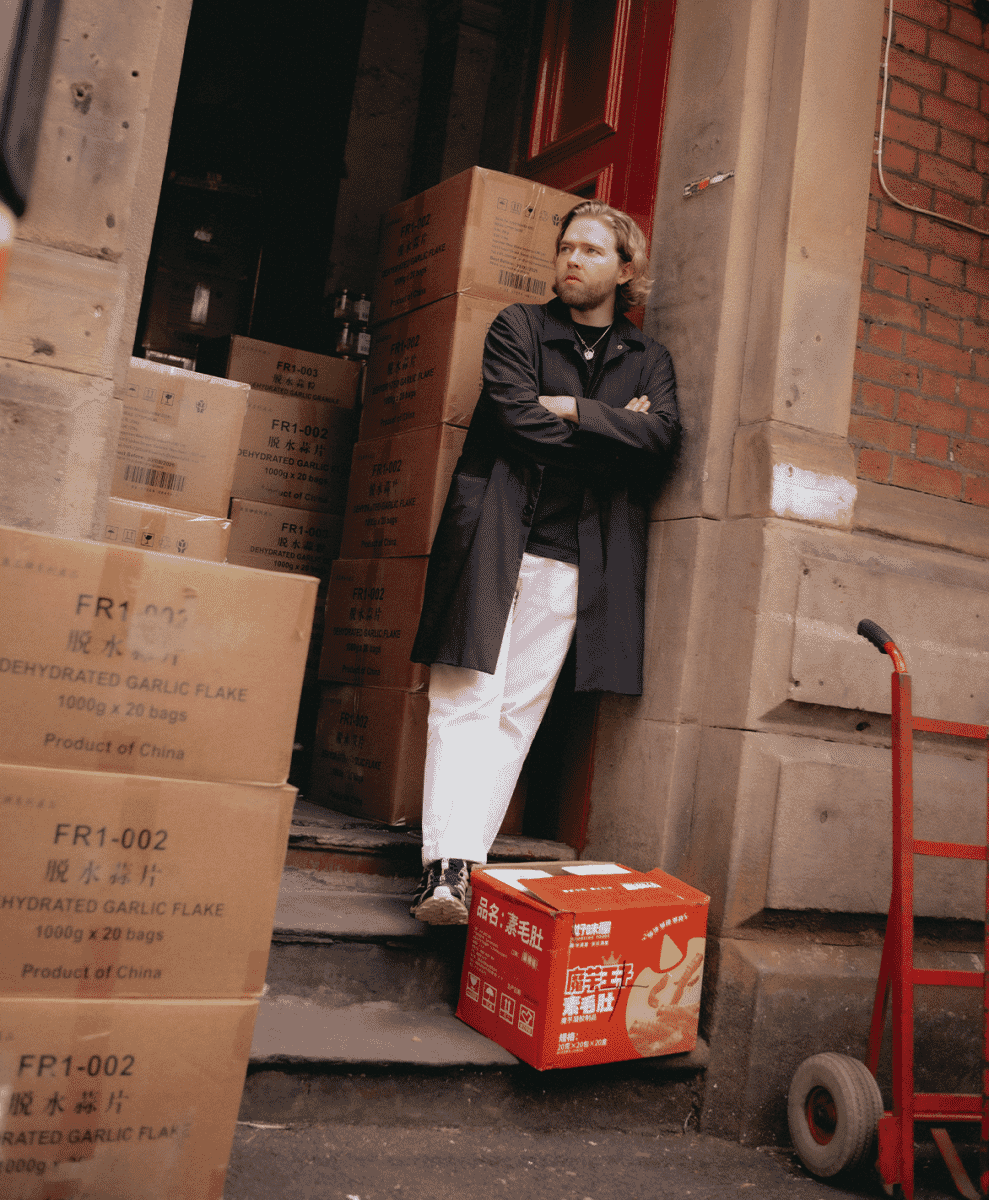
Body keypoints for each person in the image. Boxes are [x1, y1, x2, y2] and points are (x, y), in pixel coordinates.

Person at [408, 198, 680, 923]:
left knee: (515, 714)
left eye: (591, 251)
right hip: (494, 537)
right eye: (565, 247)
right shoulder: (517, 328)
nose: (571, 260)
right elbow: (512, 416)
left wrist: (572, 409)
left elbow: (661, 445)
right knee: (463, 696)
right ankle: (443, 869)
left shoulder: (647, 358)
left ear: (626, 270)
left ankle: (464, 864)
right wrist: (613, 430)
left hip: (573, 559)